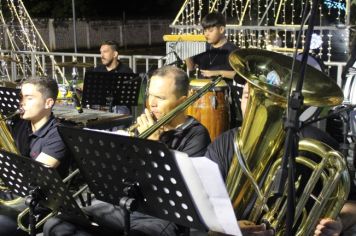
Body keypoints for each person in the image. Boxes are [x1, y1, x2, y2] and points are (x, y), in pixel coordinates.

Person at [43, 65, 211, 236]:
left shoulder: (196, 134)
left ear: (182, 101)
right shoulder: (145, 124)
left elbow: (182, 191)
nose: (151, 104)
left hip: (161, 216)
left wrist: (154, 147)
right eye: (149, 95)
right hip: (125, 205)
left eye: (160, 98)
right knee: (57, 224)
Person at [207, 83, 356, 236]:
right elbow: (206, 204)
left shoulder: (320, 144)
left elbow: (351, 203)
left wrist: (339, 223)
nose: (255, 105)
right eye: (247, 96)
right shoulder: (223, 144)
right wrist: (227, 228)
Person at [0, 77, 69, 236]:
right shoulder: (19, 124)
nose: (21, 103)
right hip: (13, 193)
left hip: (38, 205)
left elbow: (33, 178)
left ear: (48, 103)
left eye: (29, 98)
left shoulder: (58, 134)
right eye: (21, 97)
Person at [185, 11, 243, 128]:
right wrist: (186, 53)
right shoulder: (203, 48)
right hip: (200, 97)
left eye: (210, 31)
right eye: (205, 30)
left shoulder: (233, 51)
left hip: (224, 98)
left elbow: (240, 75)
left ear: (221, 30)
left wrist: (218, 73)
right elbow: (191, 67)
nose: (206, 34)